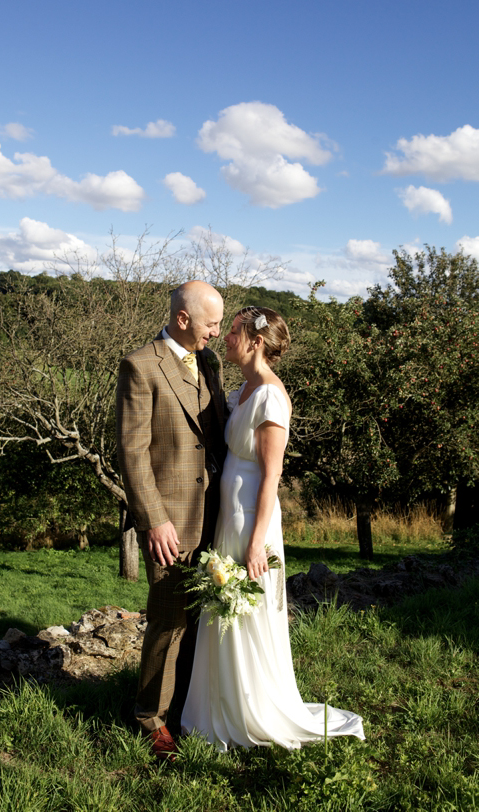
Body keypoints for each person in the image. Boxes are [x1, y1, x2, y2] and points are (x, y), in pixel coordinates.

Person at [181, 306, 365, 751]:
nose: (224, 337)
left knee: (247, 607)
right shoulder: (244, 388)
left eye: (234, 332)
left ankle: (252, 708)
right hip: (231, 513)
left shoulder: (270, 397)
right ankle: (221, 701)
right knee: (225, 605)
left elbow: (271, 476)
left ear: (256, 341)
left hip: (252, 518)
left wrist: (258, 542)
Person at [116, 280, 226, 761]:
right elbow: (132, 451)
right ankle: (150, 718)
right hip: (170, 521)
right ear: (184, 319)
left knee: (203, 618)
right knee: (169, 618)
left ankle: (188, 708)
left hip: (217, 516)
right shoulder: (140, 365)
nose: (217, 334)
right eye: (211, 324)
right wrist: (154, 520)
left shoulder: (210, 362)